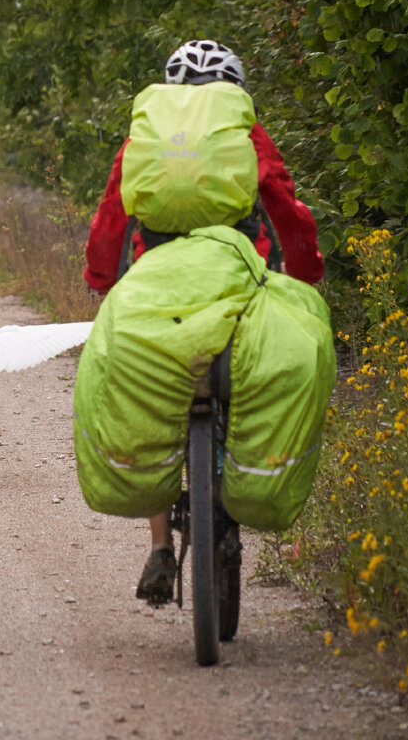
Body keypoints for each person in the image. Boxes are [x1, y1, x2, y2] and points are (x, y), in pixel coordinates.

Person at [81, 39, 325, 605]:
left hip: (156, 277)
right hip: (237, 273)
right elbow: (286, 207)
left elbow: (113, 211)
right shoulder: (244, 135)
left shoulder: (146, 138)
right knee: (253, 363)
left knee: (151, 395)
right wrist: (306, 272)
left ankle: (162, 546)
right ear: (234, 90)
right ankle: (238, 482)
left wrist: (100, 278)